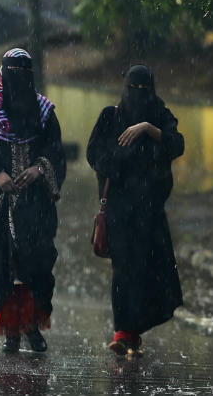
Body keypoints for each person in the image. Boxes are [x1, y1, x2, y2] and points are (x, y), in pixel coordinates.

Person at [0, 48, 66, 354]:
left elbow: (56, 152)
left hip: (35, 207)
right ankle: (10, 329)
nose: (18, 81)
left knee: (36, 265)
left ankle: (32, 326)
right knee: (2, 267)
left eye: (24, 74)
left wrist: (38, 169)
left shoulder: (44, 113)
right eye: (13, 73)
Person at [86, 64, 184, 358]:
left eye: (144, 91)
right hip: (119, 210)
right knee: (124, 270)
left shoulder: (160, 115)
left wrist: (147, 129)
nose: (138, 96)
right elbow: (96, 155)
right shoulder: (110, 116)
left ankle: (132, 333)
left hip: (151, 211)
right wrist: (123, 156)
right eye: (133, 89)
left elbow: (176, 144)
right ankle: (122, 331)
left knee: (147, 270)